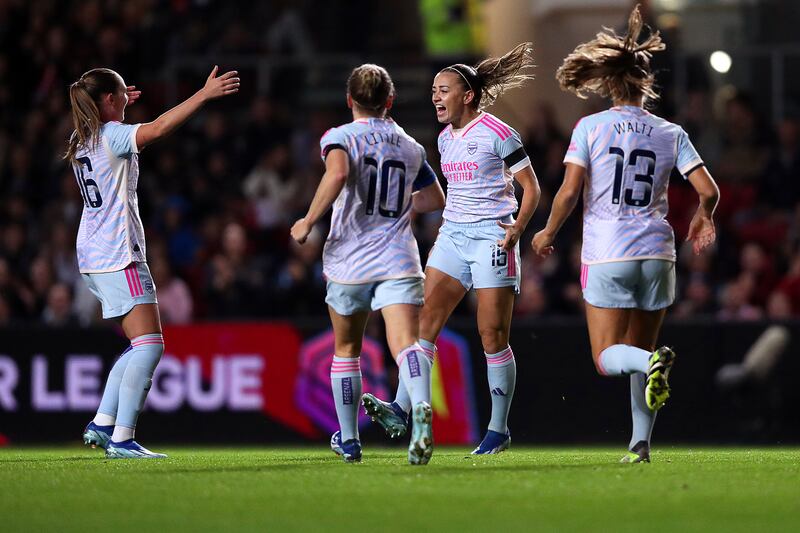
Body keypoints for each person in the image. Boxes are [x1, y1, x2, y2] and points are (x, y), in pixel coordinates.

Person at [531, 5, 720, 463]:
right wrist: (703, 216)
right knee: (641, 348)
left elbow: (570, 190)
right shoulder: (670, 131)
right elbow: (708, 190)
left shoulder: (590, 127)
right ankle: (640, 445)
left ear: (610, 82)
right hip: (658, 252)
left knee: (608, 357)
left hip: (608, 252)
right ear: (646, 83)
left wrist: (548, 230)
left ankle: (651, 371)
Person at [364, 43, 541, 455]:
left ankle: (498, 430)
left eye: (444, 90)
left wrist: (518, 227)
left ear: (468, 95)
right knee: (423, 323)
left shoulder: (499, 133)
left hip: (492, 237)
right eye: (433, 91)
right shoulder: (443, 140)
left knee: (491, 334)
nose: (436, 97)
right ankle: (402, 409)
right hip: (453, 235)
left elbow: (531, 187)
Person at [68, 66, 239, 458]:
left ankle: (102, 422)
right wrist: (203, 95)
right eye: (119, 97)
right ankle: (123, 438)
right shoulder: (111, 135)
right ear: (108, 101)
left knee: (136, 345)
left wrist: (115, 100)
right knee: (150, 346)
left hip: (92, 256)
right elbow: (159, 129)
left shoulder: (83, 138)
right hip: (118, 254)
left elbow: (108, 117)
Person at [291, 64, 446, 464]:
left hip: (350, 261)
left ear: (349, 100)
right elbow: (434, 201)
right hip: (398, 258)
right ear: (389, 101)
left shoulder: (339, 137)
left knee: (346, 349)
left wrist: (308, 220)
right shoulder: (411, 147)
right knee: (405, 344)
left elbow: (339, 172)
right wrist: (398, 206)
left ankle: (349, 440)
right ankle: (421, 410)